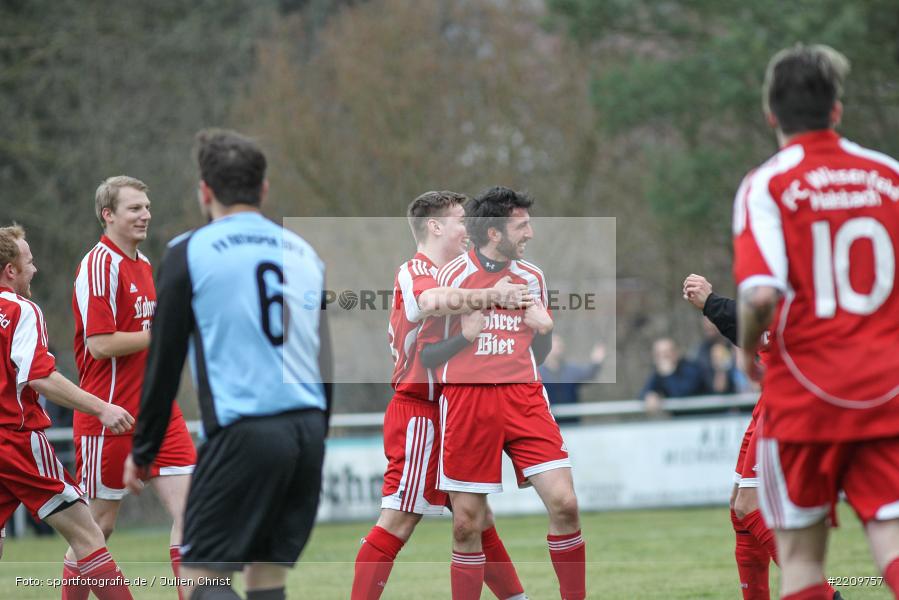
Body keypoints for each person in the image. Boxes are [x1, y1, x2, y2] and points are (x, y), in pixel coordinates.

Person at [123, 129, 331, 600]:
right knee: (266, 578)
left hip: (246, 434)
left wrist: (144, 447)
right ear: (264, 189)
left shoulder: (189, 252)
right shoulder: (304, 252)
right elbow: (325, 361)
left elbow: (165, 359)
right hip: (307, 432)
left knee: (201, 578)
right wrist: (318, 431)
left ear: (205, 191)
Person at [734, 45, 899, 600]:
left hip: (804, 396)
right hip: (887, 390)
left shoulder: (767, 185)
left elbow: (759, 293)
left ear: (770, 115)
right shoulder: (890, 176)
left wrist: (743, 355)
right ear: (837, 110)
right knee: (892, 541)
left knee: (801, 562)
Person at [351, 191, 531, 600]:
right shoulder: (415, 270)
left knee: (478, 521)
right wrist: (492, 295)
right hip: (420, 415)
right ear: (433, 226)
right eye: (458, 220)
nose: (466, 229)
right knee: (397, 521)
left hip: (453, 413)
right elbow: (430, 302)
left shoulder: (453, 274)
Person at [421, 187, 585, 600]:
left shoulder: (533, 277)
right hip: (467, 403)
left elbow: (539, 352)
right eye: (522, 225)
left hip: (524, 397)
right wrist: (466, 338)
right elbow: (426, 357)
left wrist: (545, 330)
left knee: (565, 504)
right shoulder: (451, 277)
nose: (530, 233)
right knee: (466, 524)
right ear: (494, 233)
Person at [66, 175, 196, 599]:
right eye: (134, 208)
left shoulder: (142, 264)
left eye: (147, 206)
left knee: (193, 513)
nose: (145, 215)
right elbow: (100, 345)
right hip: (111, 415)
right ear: (108, 215)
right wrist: (166, 331)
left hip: (159, 411)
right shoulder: (98, 266)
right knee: (97, 527)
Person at [683, 274, 841, 600]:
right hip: (772, 397)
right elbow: (761, 331)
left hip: (792, 395)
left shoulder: (807, 277)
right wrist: (712, 306)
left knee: (748, 504)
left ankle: (826, 595)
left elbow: (769, 322)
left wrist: (712, 303)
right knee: (738, 507)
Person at [0, 224, 135, 598]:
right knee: (88, 534)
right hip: (16, 439)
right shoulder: (20, 309)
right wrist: (102, 407)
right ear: (10, 270)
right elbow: (40, 377)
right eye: (29, 261)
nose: (35, 269)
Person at [539, 335, 605, 424]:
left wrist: (596, 362)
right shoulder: (538, 373)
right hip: (548, 425)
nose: (559, 346)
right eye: (555, 343)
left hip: (572, 425)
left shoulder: (571, 370)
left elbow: (589, 373)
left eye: (560, 344)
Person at [639, 337, 708, 413]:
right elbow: (643, 392)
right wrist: (649, 395)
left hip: (703, 417)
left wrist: (669, 374)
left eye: (666, 353)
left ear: (676, 352)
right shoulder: (658, 373)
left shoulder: (691, 368)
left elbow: (682, 396)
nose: (663, 357)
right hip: (680, 420)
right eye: (658, 354)